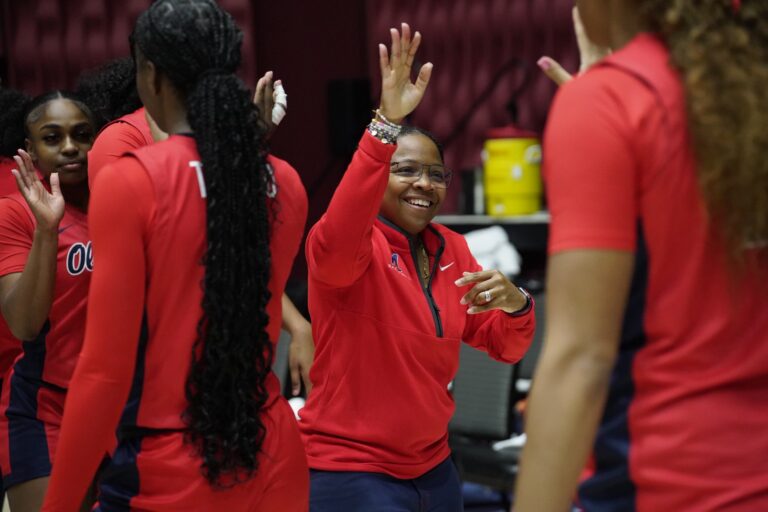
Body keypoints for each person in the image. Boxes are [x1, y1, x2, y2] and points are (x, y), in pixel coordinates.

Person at [41, 0, 309, 510]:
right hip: (274, 450)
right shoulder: (286, 182)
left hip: (172, 464)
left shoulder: (132, 179)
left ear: (150, 72)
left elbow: (103, 373)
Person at [514, 1, 768, 511]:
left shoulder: (612, 101)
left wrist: (600, 109)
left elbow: (580, 360)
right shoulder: (747, 90)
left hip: (668, 480)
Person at [299, 23, 535, 512]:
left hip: (435, 469)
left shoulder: (453, 249)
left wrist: (518, 306)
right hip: (351, 472)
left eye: (435, 174)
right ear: (376, 176)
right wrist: (384, 123)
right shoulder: (344, 246)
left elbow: (505, 348)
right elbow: (345, 218)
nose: (423, 184)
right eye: (405, 170)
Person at [79, 56, 315, 396]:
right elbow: (173, 252)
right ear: (151, 73)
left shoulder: (230, 143)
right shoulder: (121, 138)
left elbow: (239, 251)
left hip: (223, 348)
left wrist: (297, 325)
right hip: (153, 356)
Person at [0, 91, 96, 512]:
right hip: (45, 407)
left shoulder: (123, 202)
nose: (71, 147)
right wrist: (46, 230)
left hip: (120, 406)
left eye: (81, 135)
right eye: (52, 138)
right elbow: (24, 324)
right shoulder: (15, 213)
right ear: (31, 150)